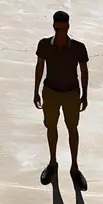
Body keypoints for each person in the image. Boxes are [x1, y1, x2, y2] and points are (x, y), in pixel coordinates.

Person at [34, 11, 89, 189]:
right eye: (58, 29)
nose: (61, 33)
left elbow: (84, 71)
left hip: (71, 93)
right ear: (54, 27)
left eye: (64, 29)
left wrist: (85, 94)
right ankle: (52, 163)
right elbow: (40, 67)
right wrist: (36, 91)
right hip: (50, 92)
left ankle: (74, 168)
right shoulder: (44, 45)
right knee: (51, 127)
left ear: (68, 27)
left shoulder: (78, 48)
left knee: (72, 129)